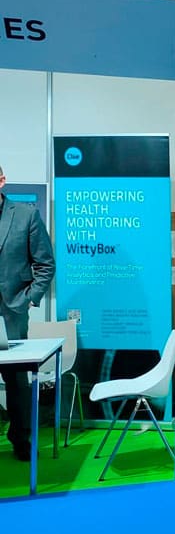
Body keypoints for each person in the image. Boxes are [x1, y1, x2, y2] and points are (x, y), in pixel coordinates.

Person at [0, 165, 56, 461]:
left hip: (12, 310)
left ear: (2, 181)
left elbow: (45, 264)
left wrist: (29, 300)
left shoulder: (26, 214)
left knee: (16, 380)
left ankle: (20, 439)